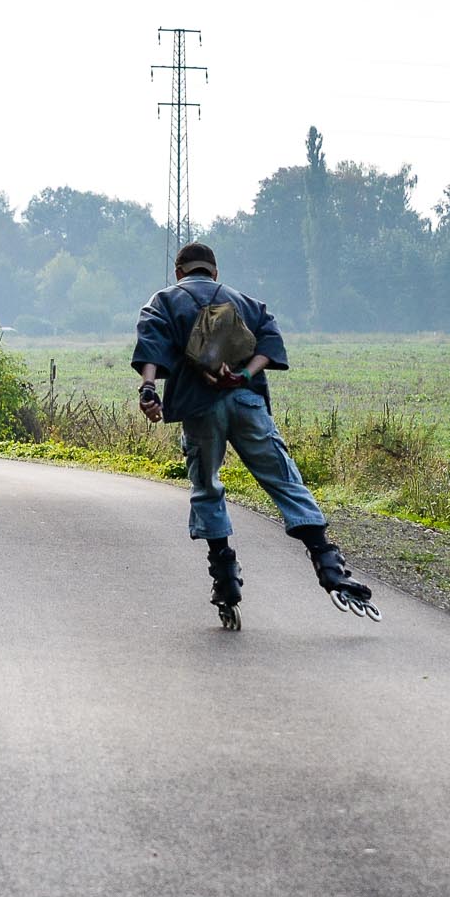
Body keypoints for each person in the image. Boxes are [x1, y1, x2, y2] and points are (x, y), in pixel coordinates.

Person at [131, 242, 378, 628]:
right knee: (283, 479)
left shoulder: (164, 301)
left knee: (208, 486)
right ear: (214, 272)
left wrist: (148, 390)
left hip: (199, 409)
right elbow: (269, 341)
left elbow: (151, 345)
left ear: (179, 273)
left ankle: (225, 581)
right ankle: (329, 564)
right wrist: (244, 375)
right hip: (247, 403)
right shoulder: (243, 301)